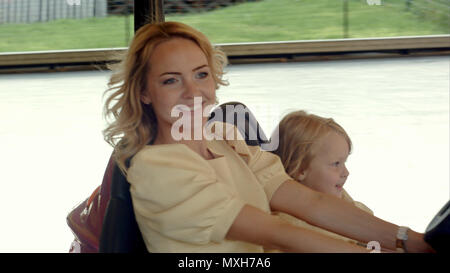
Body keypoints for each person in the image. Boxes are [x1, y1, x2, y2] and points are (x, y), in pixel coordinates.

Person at [102, 21, 433, 253]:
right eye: (171, 81)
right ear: (144, 92)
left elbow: (310, 202)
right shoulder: (159, 167)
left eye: (201, 75)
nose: (194, 92)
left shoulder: (223, 137)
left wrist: (409, 239)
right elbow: (278, 233)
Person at [270, 110, 373, 249]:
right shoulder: (289, 225)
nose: (346, 173)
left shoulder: (337, 196)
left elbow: (362, 216)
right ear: (300, 169)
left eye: (344, 162)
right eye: (336, 164)